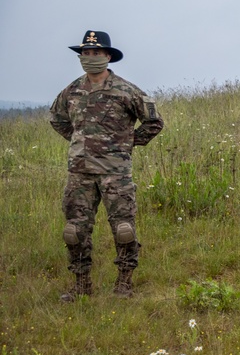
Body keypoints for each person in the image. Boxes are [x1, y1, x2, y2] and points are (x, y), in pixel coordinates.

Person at [49, 30, 164, 301]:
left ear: (108, 56)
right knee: (74, 231)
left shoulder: (127, 90)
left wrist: (126, 143)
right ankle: (81, 284)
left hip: (116, 173)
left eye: (96, 53)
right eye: (85, 54)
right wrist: (80, 141)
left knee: (123, 229)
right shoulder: (72, 90)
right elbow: (57, 119)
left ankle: (124, 283)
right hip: (80, 172)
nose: (90, 58)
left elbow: (154, 122)